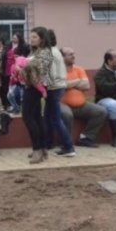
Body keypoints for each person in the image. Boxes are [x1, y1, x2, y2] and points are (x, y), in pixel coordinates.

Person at [60, 47, 107, 148]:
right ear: (62, 57)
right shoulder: (58, 70)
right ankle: (66, 143)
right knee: (67, 115)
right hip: (63, 104)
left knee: (100, 111)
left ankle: (86, 138)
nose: (73, 56)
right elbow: (61, 85)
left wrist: (69, 84)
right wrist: (77, 82)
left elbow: (86, 85)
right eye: (70, 54)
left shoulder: (79, 69)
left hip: (81, 105)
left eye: (74, 54)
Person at [42, 29, 76, 157]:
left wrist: (43, 85)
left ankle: (68, 146)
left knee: (56, 119)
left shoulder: (49, 53)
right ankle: (48, 143)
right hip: (58, 86)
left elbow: (50, 73)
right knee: (48, 117)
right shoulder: (54, 51)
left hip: (53, 88)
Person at [20, 58, 48, 164]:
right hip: (36, 89)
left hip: (32, 89)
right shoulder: (41, 56)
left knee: (28, 118)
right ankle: (42, 148)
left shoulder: (34, 59)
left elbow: (34, 77)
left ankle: (37, 150)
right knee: (37, 118)